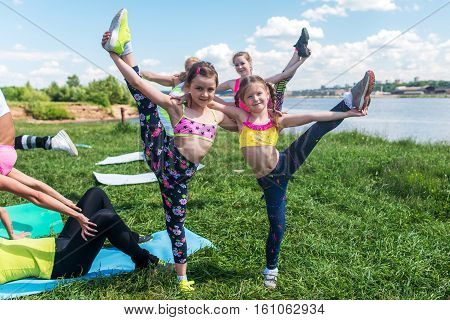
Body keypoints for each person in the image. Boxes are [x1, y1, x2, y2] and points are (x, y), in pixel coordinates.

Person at [102, 8, 236, 292]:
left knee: (176, 222)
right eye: (199, 88)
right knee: (146, 100)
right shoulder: (178, 107)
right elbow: (138, 82)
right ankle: (122, 47)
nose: (205, 94)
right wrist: (111, 56)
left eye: (210, 89)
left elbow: (243, 121)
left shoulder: (215, 115)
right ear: (188, 86)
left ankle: (181, 278)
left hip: (179, 179)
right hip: (161, 155)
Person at [208, 71, 375, 289]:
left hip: (283, 166)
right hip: (268, 182)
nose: (255, 99)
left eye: (259, 94)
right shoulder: (241, 117)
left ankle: (271, 269)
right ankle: (348, 101)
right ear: (242, 101)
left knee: (315, 132)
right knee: (275, 223)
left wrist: (349, 114)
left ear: (267, 95)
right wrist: (185, 92)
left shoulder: (278, 119)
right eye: (250, 96)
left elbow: (315, 116)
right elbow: (211, 100)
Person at [0, 187, 159, 285]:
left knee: (95, 194)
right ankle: (144, 260)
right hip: (61, 265)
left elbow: (2, 210)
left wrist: (13, 235)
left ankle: (128, 237)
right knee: (105, 217)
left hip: (57, 244)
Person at [215, 27, 311, 112]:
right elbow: (210, 89)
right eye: (236, 65)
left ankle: (297, 51)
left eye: (242, 63)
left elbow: (284, 75)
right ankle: (298, 50)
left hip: (266, 113)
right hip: (244, 117)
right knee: (282, 80)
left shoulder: (259, 81)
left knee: (281, 82)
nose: (239, 67)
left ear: (250, 64)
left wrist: (302, 61)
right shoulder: (232, 83)